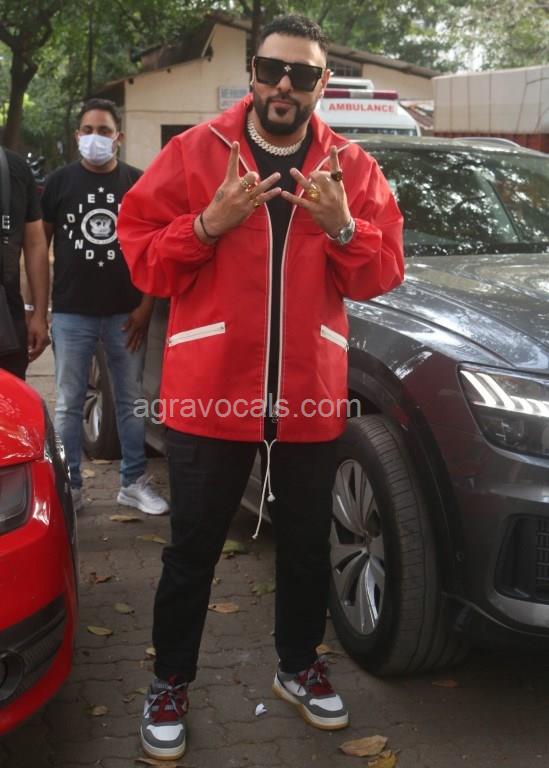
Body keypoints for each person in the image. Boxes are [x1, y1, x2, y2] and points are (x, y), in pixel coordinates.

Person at [118, 14, 404, 760]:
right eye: (272, 70)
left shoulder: (351, 168)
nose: (284, 85)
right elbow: (141, 255)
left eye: (301, 75)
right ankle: (170, 682)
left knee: (305, 546)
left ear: (321, 84)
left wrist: (344, 228)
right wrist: (205, 226)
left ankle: (297, 666)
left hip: (308, 393)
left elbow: (383, 272)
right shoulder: (194, 153)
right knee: (191, 551)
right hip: (209, 392)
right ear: (251, 73)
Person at [41, 98, 168, 516]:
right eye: (88, 130)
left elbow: (154, 250)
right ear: (77, 135)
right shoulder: (59, 183)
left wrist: (146, 307)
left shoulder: (138, 183)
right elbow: (39, 246)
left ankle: (133, 482)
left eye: (104, 131)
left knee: (130, 400)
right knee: (68, 404)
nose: (95, 138)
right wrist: (38, 309)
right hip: (71, 314)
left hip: (126, 316)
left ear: (119, 137)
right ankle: (70, 488)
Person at [0, 146, 49, 379]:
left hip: (6, 319)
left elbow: (35, 244)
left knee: (8, 398)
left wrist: (38, 314)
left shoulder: (14, 168)